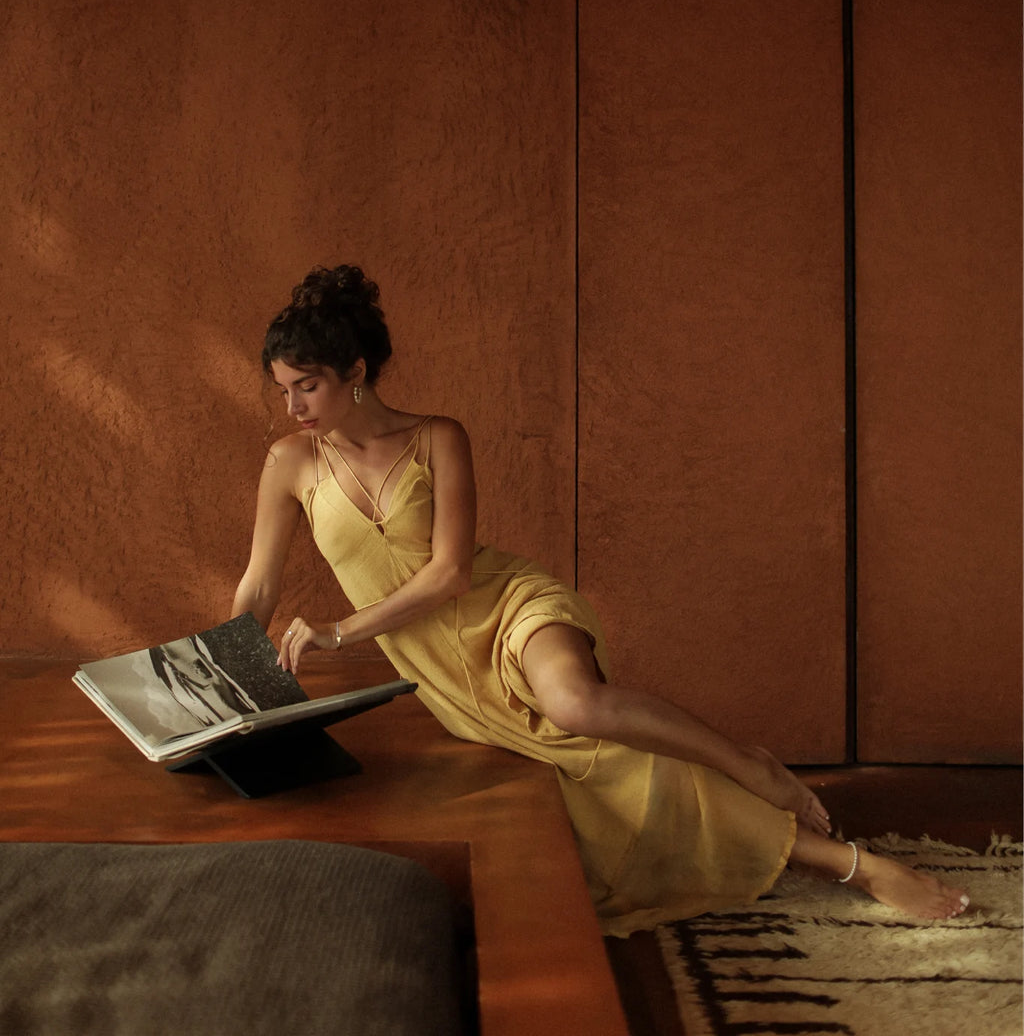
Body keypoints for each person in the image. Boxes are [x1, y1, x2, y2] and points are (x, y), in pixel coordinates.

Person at [231, 265, 969, 935]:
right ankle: (845, 862)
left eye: (309, 385)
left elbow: (453, 573)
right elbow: (260, 583)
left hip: (508, 606)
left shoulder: (437, 439)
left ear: (355, 373)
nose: (293, 405)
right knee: (616, 770)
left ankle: (755, 770)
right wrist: (221, 668)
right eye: (283, 388)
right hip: (446, 670)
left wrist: (338, 631)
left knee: (577, 705)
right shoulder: (291, 464)